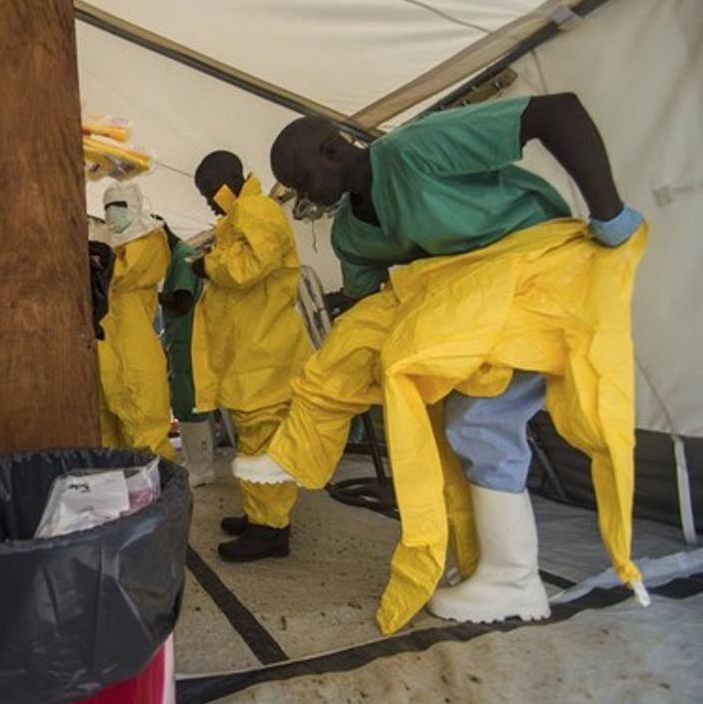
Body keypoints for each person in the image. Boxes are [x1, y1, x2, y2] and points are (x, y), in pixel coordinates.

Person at [239, 94, 645, 629]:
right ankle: (297, 452)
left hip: (535, 267)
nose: (304, 195)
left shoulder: (415, 148)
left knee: (480, 420)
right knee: (359, 336)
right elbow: (368, 311)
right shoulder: (350, 233)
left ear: (332, 149)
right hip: (464, 291)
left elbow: (559, 111)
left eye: (303, 177)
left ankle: (514, 580)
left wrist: (608, 211)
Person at [190, 151, 309, 561]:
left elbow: (249, 266)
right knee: (253, 436)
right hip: (251, 353)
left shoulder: (257, 209)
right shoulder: (240, 215)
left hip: (266, 353)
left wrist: (207, 266)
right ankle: (260, 514)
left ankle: (272, 529)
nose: (209, 202)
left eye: (209, 193)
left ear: (224, 182)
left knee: (265, 438)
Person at [96, 182, 175, 461]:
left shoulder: (150, 240)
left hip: (135, 351)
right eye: (107, 208)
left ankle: (162, 499)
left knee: (148, 436)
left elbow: (123, 274)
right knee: (109, 438)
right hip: (107, 354)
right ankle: (125, 499)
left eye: (118, 207)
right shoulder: (106, 245)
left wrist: (98, 262)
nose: (111, 214)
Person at [157, 222, 214, 486]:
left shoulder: (182, 257)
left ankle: (201, 468)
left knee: (191, 402)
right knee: (183, 400)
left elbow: (180, 301)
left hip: (189, 339)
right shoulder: (176, 257)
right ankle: (194, 462)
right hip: (181, 339)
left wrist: (150, 294)